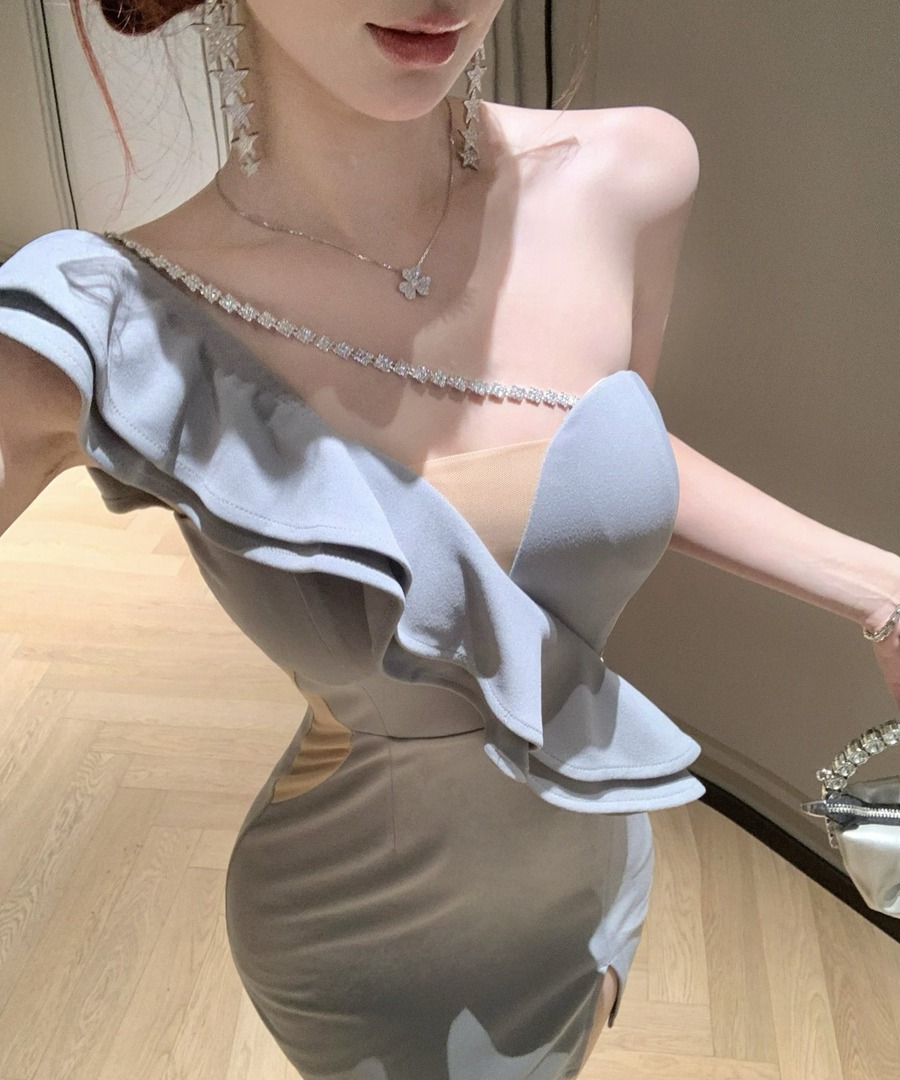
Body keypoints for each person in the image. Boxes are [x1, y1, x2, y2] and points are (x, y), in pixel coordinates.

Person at [1, 1, 898, 1077]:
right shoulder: (102, 322)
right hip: (366, 938)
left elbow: (597, 456)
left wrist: (879, 586)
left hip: (596, 855)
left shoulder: (634, 174)